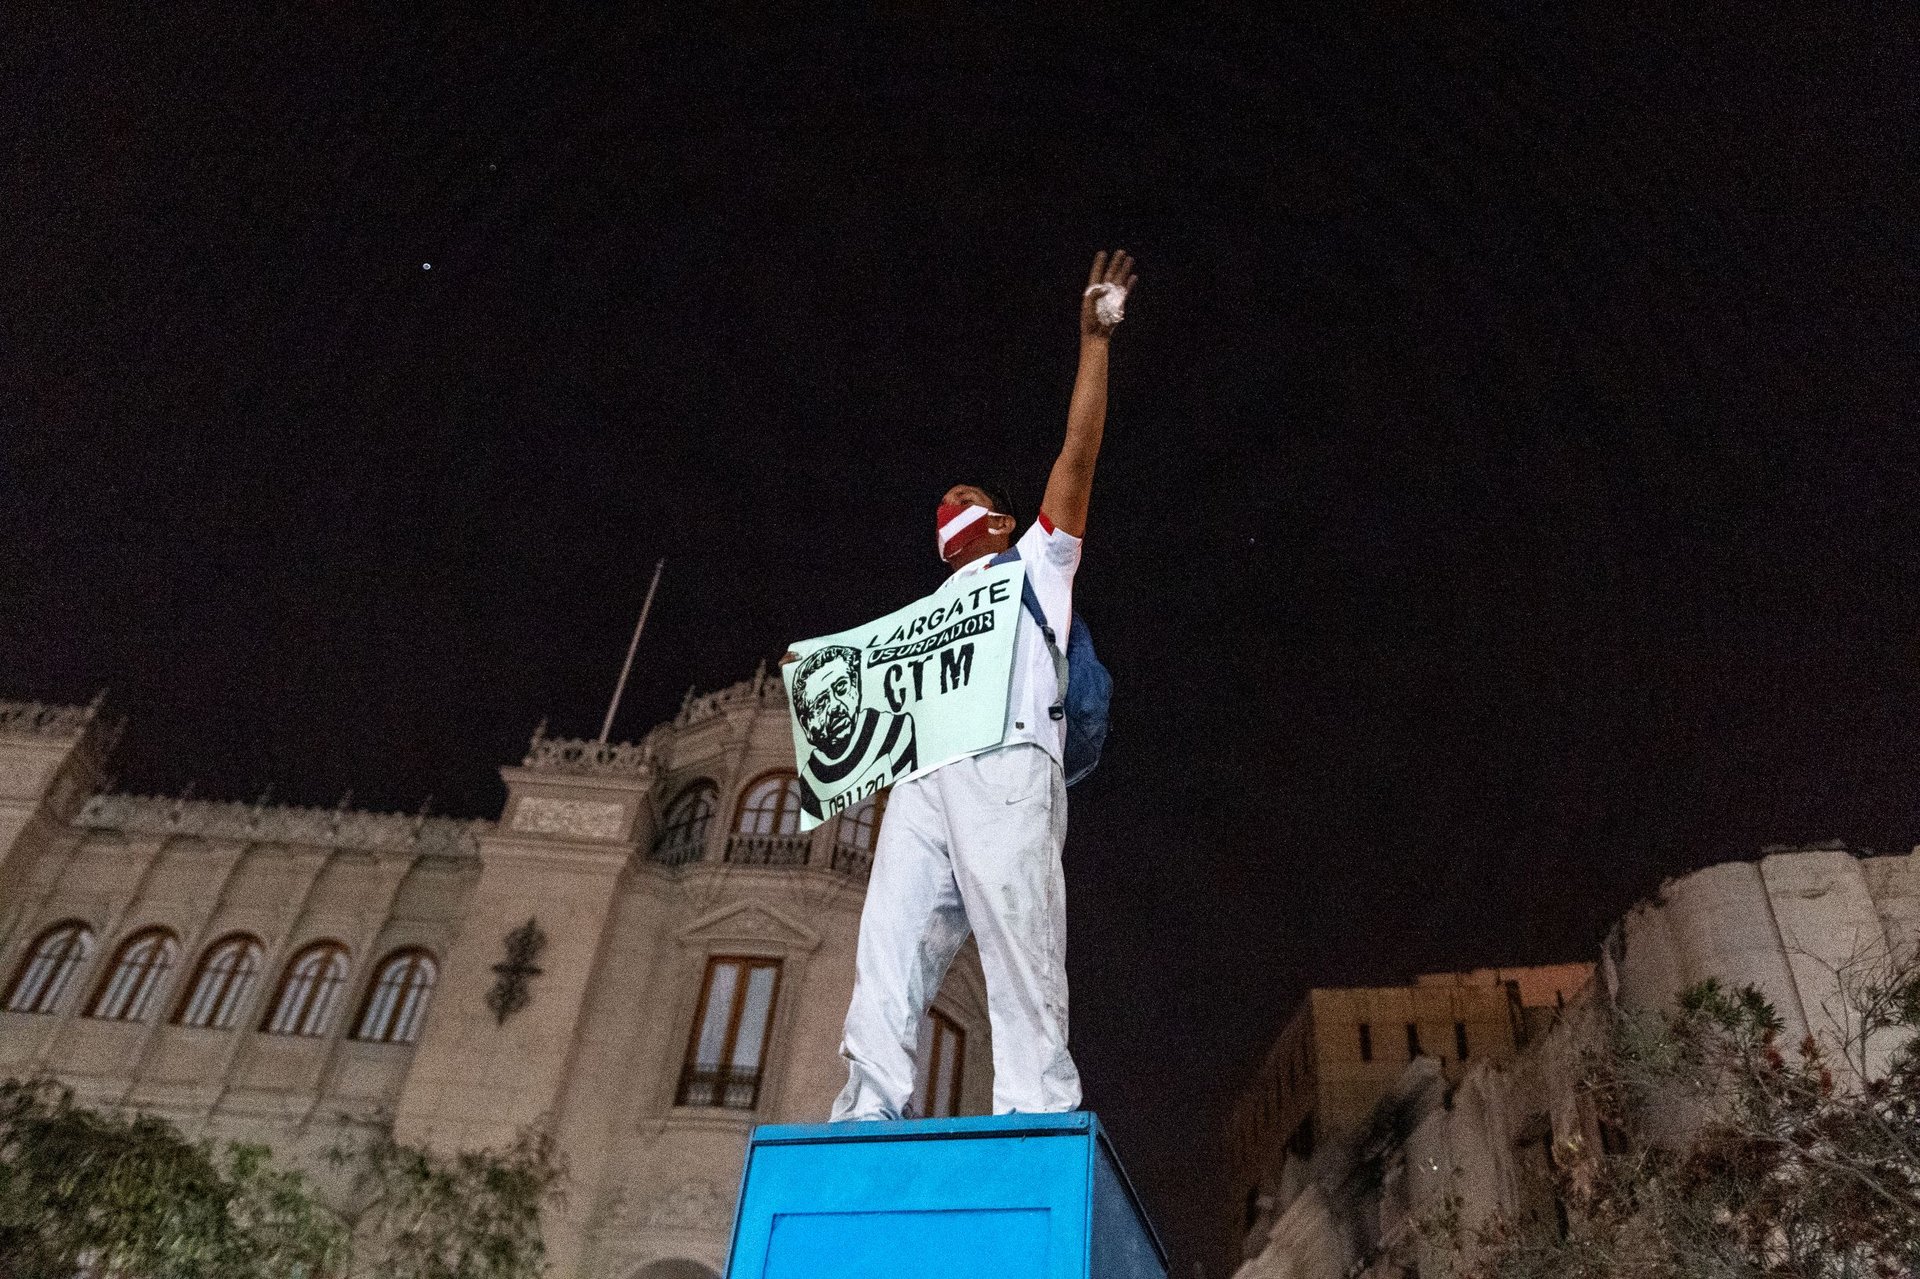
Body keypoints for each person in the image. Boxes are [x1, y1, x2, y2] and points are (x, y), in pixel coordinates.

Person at [828, 249, 1136, 1120]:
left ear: (998, 520)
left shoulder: (1038, 560)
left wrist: (1095, 345)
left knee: (1017, 935)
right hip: (925, 776)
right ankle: (867, 1104)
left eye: (965, 493)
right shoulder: (925, 611)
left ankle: (1035, 1109)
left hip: (1007, 764)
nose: (947, 502)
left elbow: (1078, 453)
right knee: (888, 941)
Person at [790, 644, 919, 823]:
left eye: (841, 688)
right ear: (806, 724)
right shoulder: (810, 780)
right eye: (820, 703)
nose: (835, 706)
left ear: (856, 687)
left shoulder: (896, 732)